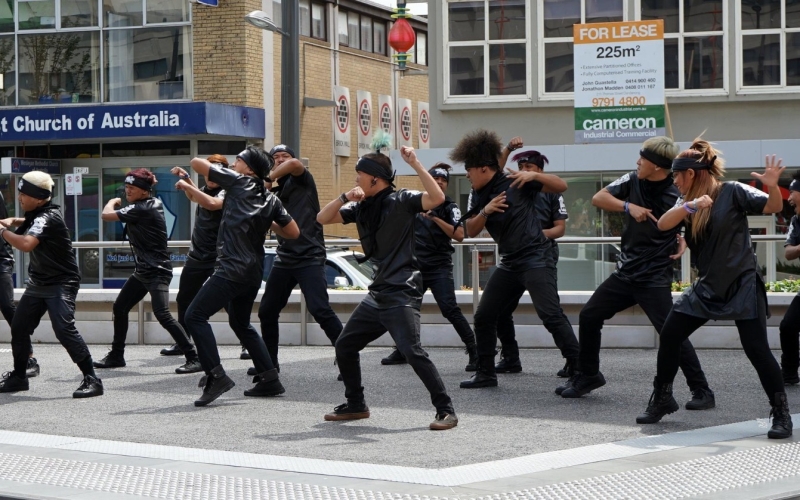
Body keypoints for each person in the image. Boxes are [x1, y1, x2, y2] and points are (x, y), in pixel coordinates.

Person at [637, 139, 792, 440]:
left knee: (757, 350)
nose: (675, 181)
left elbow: (774, 206)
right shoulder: (686, 202)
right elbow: (663, 225)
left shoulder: (732, 190)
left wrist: (773, 186)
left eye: (677, 176)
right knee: (670, 334)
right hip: (707, 286)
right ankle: (663, 397)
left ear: (691, 174)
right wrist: (689, 206)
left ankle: (781, 412)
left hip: (742, 283)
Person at [557, 137, 714, 411]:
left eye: (642, 159)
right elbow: (599, 197)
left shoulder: (675, 191)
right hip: (625, 273)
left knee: (671, 332)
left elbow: (690, 220)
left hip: (653, 277)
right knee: (590, 314)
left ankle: (702, 389)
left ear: (655, 166)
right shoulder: (632, 180)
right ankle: (589, 375)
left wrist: (683, 237)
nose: (637, 162)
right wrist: (628, 206)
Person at [317, 135, 458, 430]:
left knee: (411, 350)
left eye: (360, 174)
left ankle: (446, 410)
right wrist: (345, 197)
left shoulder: (402, 200)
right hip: (378, 294)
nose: (356, 178)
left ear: (375, 179)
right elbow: (322, 218)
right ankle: (356, 404)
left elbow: (437, 199)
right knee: (345, 345)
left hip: (402, 291)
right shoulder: (361, 207)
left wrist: (415, 163)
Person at [454, 130, 579, 389]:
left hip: (536, 256)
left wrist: (534, 174)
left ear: (484, 168)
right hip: (510, 261)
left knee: (550, 315)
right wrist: (486, 211)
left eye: (469, 169)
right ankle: (486, 373)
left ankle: (582, 370)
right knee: (485, 315)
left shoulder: (515, 181)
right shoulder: (478, 194)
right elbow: (471, 231)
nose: (466, 174)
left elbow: (561, 186)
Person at [185, 146, 299, 407]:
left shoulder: (239, 182)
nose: (235, 163)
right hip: (253, 271)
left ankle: (216, 376)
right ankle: (270, 378)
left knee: (194, 316)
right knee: (241, 323)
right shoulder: (271, 199)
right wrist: (264, 220)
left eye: (239, 160)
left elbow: (195, 162)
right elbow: (293, 232)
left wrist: (224, 172)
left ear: (250, 169)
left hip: (231, 268)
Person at [0, 171, 102, 398]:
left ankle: (92, 379)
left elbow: (26, 243)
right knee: (19, 327)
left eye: (23, 194)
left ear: (37, 197)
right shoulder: (38, 213)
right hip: (39, 282)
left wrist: (2, 231)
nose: (19, 198)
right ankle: (19, 376)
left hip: (61, 283)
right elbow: (27, 222)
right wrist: (12, 221)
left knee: (64, 329)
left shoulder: (47, 218)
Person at [94, 169, 202, 375]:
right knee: (120, 307)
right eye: (126, 187)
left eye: (132, 188)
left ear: (144, 191)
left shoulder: (144, 207)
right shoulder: (146, 205)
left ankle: (194, 356)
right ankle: (116, 355)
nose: (127, 191)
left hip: (157, 271)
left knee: (162, 314)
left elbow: (105, 215)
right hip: (144, 270)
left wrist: (113, 202)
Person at [379, 162, 478, 372]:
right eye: (436, 179)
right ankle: (403, 350)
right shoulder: (418, 202)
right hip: (415, 267)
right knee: (405, 309)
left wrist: (435, 218)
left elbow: (460, 235)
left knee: (449, 309)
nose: (440, 183)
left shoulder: (450, 207)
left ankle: (474, 349)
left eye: (443, 180)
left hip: (439, 267)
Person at [257, 144, 342, 374]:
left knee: (320, 309)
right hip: (285, 257)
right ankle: (269, 365)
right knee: (267, 310)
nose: (281, 160)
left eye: (285, 156)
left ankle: (347, 358)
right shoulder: (273, 195)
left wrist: (268, 177)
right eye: (276, 158)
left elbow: (295, 165)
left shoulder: (302, 179)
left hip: (310, 256)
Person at [493, 141, 569, 375]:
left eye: (529, 166)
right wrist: (507, 150)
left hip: (541, 256)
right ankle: (510, 357)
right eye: (521, 165)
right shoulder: (511, 188)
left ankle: (574, 360)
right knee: (499, 310)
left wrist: (533, 235)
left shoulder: (550, 193)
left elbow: (559, 229)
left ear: (539, 170)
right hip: (513, 258)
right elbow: (494, 173)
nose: (524, 170)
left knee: (550, 311)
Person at [159, 155, 228, 357]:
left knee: (229, 302)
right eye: (208, 172)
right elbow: (194, 197)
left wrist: (189, 185)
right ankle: (183, 342)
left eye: (216, 172)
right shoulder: (205, 189)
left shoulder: (229, 191)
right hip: (198, 256)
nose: (211, 177)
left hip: (218, 257)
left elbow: (213, 204)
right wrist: (188, 180)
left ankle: (245, 343)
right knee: (184, 299)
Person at [778, 170, 800, 386]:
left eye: (792, 192)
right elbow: (788, 252)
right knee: (788, 326)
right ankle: (789, 373)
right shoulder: (796, 220)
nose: (789, 197)